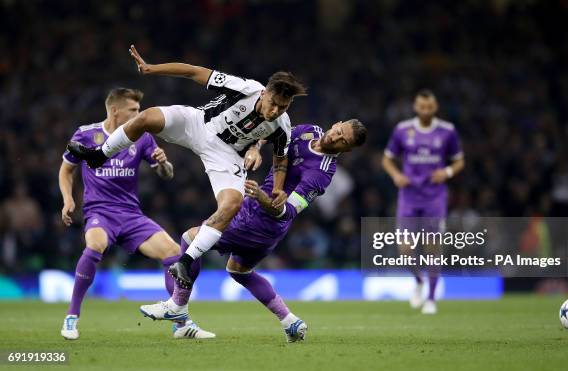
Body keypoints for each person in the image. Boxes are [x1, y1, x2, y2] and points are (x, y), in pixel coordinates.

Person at [67, 46, 307, 290]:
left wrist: (278, 189)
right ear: (265, 93)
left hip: (227, 156)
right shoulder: (244, 88)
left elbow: (281, 158)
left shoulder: (281, 126)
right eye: (274, 103)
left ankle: (186, 260)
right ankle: (100, 155)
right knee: (146, 118)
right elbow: (193, 72)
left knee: (232, 205)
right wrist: (152, 68)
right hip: (199, 124)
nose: (276, 110)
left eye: (283, 107)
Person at [140, 120, 367, 342]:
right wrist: (256, 147)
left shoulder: (322, 173)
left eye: (342, 140)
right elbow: (277, 133)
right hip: (264, 224)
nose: (335, 136)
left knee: (190, 238)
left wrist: (262, 197)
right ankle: (290, 321)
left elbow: (287, 211)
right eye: (339, 130)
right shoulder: (310, 130)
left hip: (259, 220)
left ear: (346, 149)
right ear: (337, 123)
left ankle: (178, 306)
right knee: (239, 271)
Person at [59, 88, 211, 340]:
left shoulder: (142, 137)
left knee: (174, 252)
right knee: (95, 244)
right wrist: (67, 200)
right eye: (134, 110)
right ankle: (71, 317)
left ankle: (181, 324)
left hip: (131, 215)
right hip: (100, 211)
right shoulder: (86, 134)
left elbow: (167, 175)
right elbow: (66, 170)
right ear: (115, 110)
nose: (139, 114)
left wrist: (163, 163)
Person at [381, 90, 464, 314]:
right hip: (408, 195)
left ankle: (430, 299)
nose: (425, 111)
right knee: (405, 249)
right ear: (415, 107)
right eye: (421, 107)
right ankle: (418, 280)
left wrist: (446, 172)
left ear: (435, 107)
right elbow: (387, 158)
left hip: (435, 197)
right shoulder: (402, 130)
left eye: (429, 107)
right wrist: (396, 175)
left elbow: (459, 161)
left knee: (432, 247)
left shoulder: (447, 131)